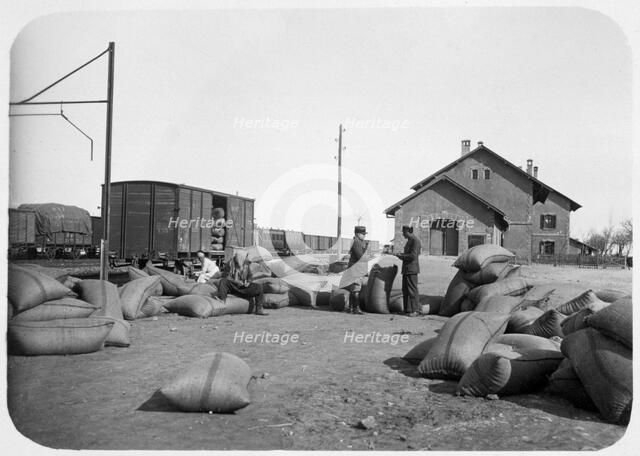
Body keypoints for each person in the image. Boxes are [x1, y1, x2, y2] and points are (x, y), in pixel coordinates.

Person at [215, 247, 268, 316]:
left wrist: (248, 282)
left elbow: (250, 276)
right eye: (245, 256)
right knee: (223, 281)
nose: (246, 258)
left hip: (243, 288)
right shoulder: (230, 264)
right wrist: (236, 282)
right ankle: (222, 299)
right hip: (233, 287)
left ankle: (259, 309)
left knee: (259, 287)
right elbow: (225, 276)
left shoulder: (246, 265)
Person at [339, 226, 369, 314]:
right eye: (363, 234)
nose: (364, 236)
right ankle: (356, 308)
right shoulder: (357, 242)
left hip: (354, 269)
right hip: (356, 269)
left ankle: (351, 308)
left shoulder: (356, 241)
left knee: (353, 289)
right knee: (356, 288)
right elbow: (360, 256)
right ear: (358, 234)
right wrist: (367, 256)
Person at [395, 225, 421, 316]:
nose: (403, 234)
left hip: (412, 270)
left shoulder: (415, 241)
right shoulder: (409, 241)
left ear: (409, 232)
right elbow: (408, 254)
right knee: (405, 290)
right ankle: (407, 310)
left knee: (412, 290)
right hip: (406, 269)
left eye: (404, 232)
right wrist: (401, 254)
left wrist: (401, 256)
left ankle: (416, 310)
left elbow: (413, 256)